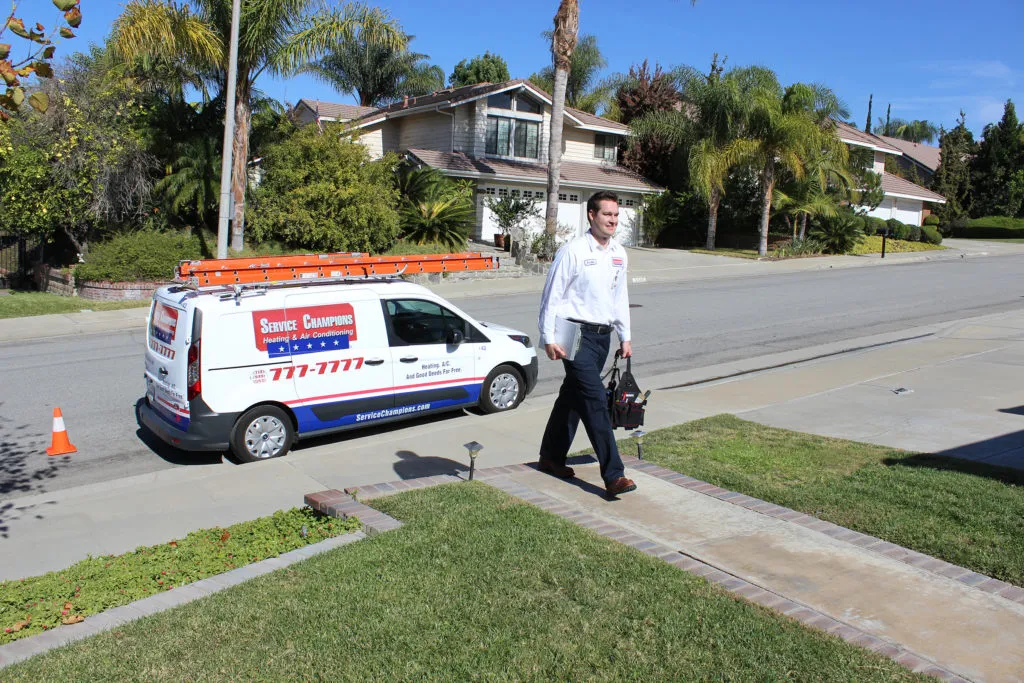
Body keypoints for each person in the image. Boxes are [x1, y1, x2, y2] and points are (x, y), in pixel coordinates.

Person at [537, 190, 636, 497]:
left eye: (616, 215)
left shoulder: (619, 253)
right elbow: (551, 295)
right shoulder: (574, 251)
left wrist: (625, 335)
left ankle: (551, 457)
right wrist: (548, 337)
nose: (613, 220)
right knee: (594, 401)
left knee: (572, 397)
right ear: (591, 215)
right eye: (607, 214)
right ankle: (614, 474)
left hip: (602, 337)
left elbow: (619, 298)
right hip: (574, 337)